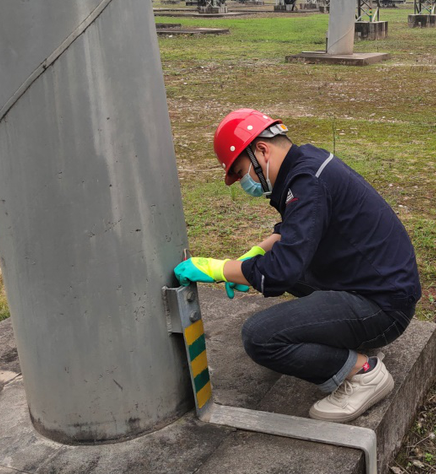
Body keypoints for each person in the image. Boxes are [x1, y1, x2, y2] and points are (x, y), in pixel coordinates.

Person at [174, 109, 421, 423]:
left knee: (259, 337)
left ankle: (364, 373)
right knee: (285, 269)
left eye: (241, 170)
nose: (243, 183)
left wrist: (219, 269)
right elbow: (294, 232)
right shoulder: (307, 165)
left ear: (262, 150)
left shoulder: (306, 182)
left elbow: (280, 271)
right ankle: (350, 341)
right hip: (373, 284)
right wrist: (249, 257)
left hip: (384, 307)